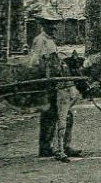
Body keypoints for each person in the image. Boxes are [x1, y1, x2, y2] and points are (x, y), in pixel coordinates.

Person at [28, 23, 81, 160]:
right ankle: (46, 147)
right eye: (50, 27)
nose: (52, 30)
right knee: (50, 114)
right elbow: (34, 61)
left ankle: (63, 145)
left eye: (53, 28)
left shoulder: (49, 40)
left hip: (55, 80)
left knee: (64, 114)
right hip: (47, 82)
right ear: (43, 27)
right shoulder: (40, 40)